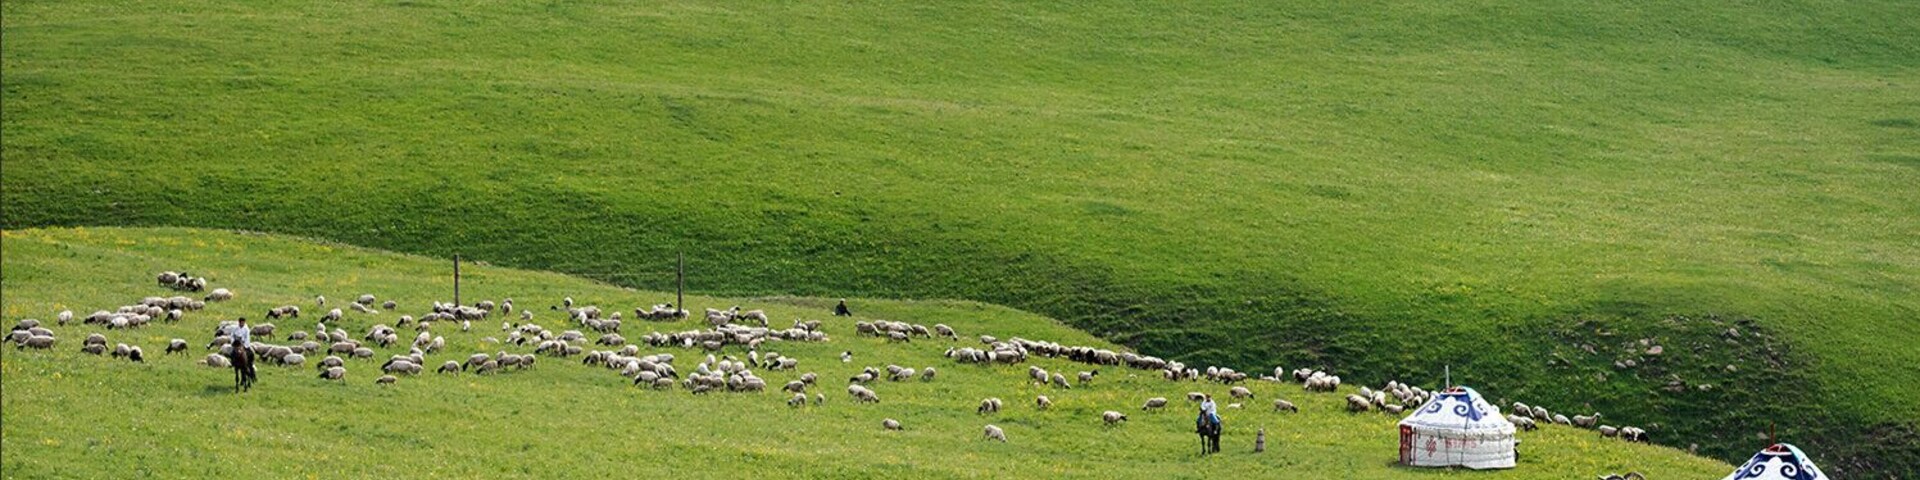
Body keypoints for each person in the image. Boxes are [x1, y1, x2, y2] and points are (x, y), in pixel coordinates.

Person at [227, 317, 256, 390]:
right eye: (241, 322)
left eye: (243, 322)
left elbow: (247, 338)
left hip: (244, 344)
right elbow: (232, 336)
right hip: (236, 344)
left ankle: (250, 363)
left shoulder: (246, 329)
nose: (242, 323)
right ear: (239, 322)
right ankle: (232, 362)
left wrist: (244, 345)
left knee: (250, 353)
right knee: (231, 353)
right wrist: (233, 343)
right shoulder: (235, 328)